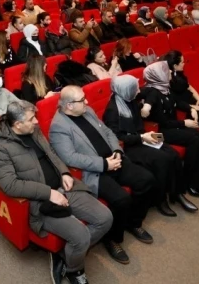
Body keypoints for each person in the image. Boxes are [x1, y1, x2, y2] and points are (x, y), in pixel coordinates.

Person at [0, 101, 113, 284]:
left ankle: (65, 255)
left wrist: (64, 172)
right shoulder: (0, 150)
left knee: (105, 218)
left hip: (65, 188)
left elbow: (52, 153)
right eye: (32, 119)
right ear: (18, 124)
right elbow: (10, 185)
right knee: (80, 236)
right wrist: (49, 193)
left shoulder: (33, 130)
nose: (37, 122)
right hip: (41, 203)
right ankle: (74, 269)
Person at [50, 86, 156, 266]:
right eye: (82, 100)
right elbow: (70, 158)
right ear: (69, 105)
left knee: (146, 180)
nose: (87, 101)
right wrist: (104, 164)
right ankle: (113, 239)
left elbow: (107, 132)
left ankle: (134, 223)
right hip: (94, 171)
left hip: (114, 160)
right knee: (121, 199)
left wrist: (117, 150)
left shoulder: (87, 111)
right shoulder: (58, 127)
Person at [103, 76, 198, 216]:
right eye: (135, 89)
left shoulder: (129, 98)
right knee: (162, 159)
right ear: (127, 90)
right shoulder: (112, 110)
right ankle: (160, 200)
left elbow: (152, 91)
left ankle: (176, 193)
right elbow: (117, 138)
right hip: (130, 145)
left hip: (144, 136)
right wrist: (142, 138)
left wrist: (147, 105)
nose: (138, 91)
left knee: (173, 153)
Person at [140, 62, 199, 196]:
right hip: (157, 133)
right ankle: (191, 183)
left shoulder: (164, 88)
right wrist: (184, 123)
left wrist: (190, 108)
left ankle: (198, 181)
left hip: (170, 127)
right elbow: (163, 123)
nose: (171, 72)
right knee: (194, 138)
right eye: (167, 71)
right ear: (158, 75)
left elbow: (176, 102)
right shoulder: (152, 93)